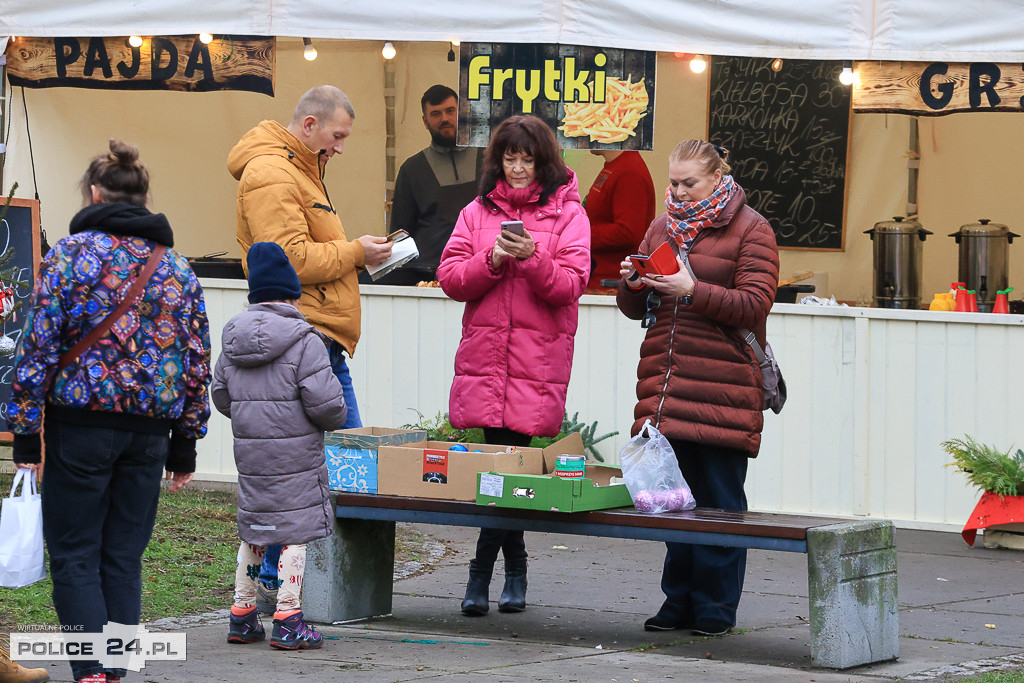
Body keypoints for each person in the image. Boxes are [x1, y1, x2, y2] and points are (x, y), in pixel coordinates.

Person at [6, 139, 212, 683]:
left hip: (80, 430)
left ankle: (91, 671)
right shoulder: (179, 270)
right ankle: (116, 669)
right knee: (123, 555)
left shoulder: (69, 257)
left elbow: (38, 348)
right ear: (144, 197)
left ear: (94, 193)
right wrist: (186, 440)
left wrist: (26, 435)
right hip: (149, 435)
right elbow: (196, 360)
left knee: (75, 554)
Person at [228, 85, 391, 610]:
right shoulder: (274, 174)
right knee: (337, 467)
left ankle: (270, 592)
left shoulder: (297, 168)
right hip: (308, 338)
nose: (341, 147)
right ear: (309, 125)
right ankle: (289, 592)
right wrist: (356, 252)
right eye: (337, 136)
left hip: (315, 336)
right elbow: (289, 260)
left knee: (323, 470)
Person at [616, 140, 779, 637]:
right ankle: (678, 602)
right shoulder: (661, 226)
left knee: (721, 506)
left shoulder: (752, 228)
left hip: (725, 388)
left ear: (717, 178)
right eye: (674, 183)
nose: (680, 193)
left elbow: (755, 304)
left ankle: (715, 608)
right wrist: (632, 283)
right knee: (673, 502)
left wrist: (692, 290)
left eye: (690, 184)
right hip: (668, 387)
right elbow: (634, 311)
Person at [437, 115, 591, 616]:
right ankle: (515, 570)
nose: (518, 168)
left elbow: (570, 285)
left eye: (527, 158)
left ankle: (480, 577)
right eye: (509, 157)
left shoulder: (570, 214)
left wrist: (530, 257)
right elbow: (451, 277)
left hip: (534, 365)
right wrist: (493, 260)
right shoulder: (474, 211)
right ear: (497, 160)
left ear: (544, 161)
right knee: (502, 469)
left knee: (504, 469)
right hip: (486, 363)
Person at [212, 242, 347, 651]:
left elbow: (221, 396)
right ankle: (288, 618)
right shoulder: (306, 341)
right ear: (292, 293)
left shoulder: (233, 339)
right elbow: (329, 407)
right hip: (296, 458)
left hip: (252, 456)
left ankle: (242, 615)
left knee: (255, 530)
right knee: (294, 534)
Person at [382, 84, 483, 284]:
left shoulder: (490, 160)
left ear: (462, 112)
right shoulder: (412, 170)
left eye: (450, 111)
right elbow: (401, 235)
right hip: (429, 281)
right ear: (425, 121)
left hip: (482, 272)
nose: (444, 119)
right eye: (435, 114)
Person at [584, 149, 656, 291]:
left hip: (610, 287)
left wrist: (580, 234)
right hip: (598, 279)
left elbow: (627, 232)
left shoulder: (629, 172)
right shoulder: (617, 165)